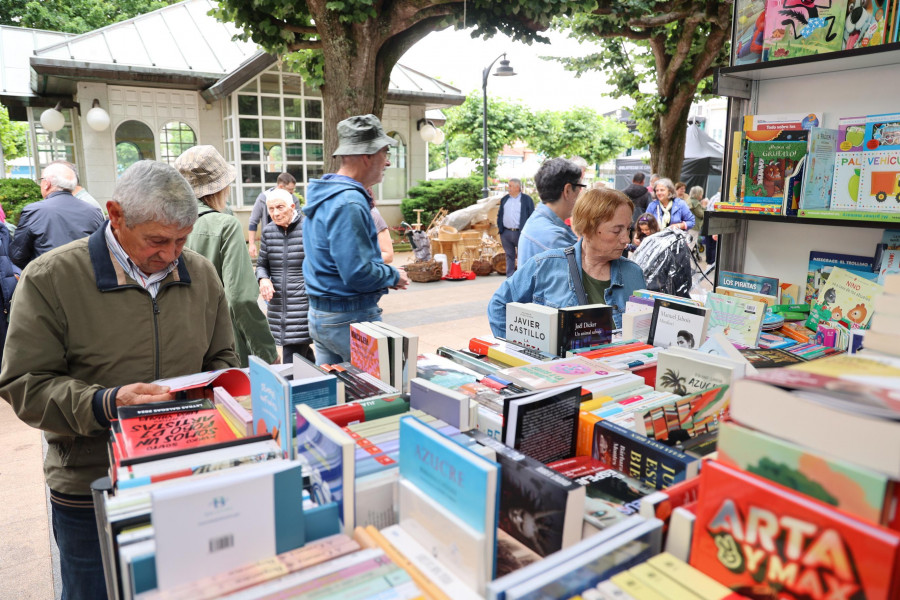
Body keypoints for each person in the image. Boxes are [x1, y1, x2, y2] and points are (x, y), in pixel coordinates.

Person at [0, 160, 239, 600]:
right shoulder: (51, 278)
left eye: (181, 241)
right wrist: (107, 403)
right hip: (92, 481)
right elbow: (24, 384)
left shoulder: (201, 274)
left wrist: (222, 388)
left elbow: (223, 356)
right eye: (156, 240)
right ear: (115, 214)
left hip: (184, 471)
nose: (170, 255)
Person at [302, 114, 410, 365]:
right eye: (385, 153)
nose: (388, 162)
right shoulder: (349, 201)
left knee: (334, 398)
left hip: (324, 315)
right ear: (367, 155)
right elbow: (357, 272)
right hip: (348, 317)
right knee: (389, 389)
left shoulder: (327, 194)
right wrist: (393, 275)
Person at [175, 145, 278, 368]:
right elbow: (240, 299)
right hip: (222, 347)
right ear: (222, 186)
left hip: (180, 345)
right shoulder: (225, 225)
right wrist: (267, 351)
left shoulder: (168, 225)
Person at [488, 188, 646, 333]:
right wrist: (520, 352)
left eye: (628, 229)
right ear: (587, 229)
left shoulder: (633, 273)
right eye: (616, 230)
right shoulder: (544, 266)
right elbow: (498, 306)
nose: (626, 239)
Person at [257, 188, 314, 364]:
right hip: (277, 305)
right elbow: (261, 265)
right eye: (271, 209)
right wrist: (263, 278)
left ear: (292, 206)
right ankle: (318, 385)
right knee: (302, 356)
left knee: (291, 361)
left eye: (280, 207)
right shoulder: (268, 232)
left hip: (303, 305)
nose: (275, 213)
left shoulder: (309, 229)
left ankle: (289, 390)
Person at [10, 162, 104, 268]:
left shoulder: (34, 211)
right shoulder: (93, 211)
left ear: (47, 184)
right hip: (87, 278)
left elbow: (17, 255)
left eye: (41, 180)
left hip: (47, 278)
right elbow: (102, 250)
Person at [517, 158, 583, 267]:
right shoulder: (554, 239)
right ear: (567, 190)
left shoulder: (538, 221)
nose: (581, 195)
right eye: (580, 188)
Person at [247, 172, 300, 258]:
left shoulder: (294, 199)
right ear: (281, 187)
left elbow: (298, 220)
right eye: (290, 190)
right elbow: (253, 221)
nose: (292, 192)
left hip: (290, 243)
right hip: (270, 243)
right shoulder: (263, 198)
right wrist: (252, 244)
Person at [496, 178, 534, 276]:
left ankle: (523, 277)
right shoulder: (505, 199)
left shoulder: (526, 199)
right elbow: (500, 214)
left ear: (517, 187)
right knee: (509, 256)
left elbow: (532, 216)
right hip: (506, 233)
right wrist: (501, 229)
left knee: (523, 256)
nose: (508, 188)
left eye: (510, 186)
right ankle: (510, 278)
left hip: (521, 232)